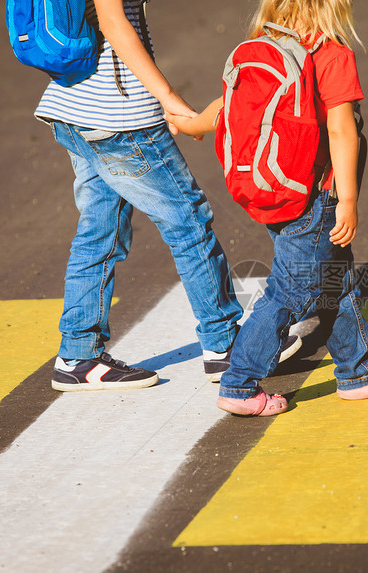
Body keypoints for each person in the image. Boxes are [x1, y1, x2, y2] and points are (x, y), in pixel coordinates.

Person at [167, 0, 368, 416]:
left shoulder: (263, 47)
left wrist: (192, 124)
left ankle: (359, 374)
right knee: (291, 291)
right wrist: (348, 201)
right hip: (315, 197)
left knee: (336, 280)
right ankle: (239, 384)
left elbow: (226, 106)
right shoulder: (332, 54)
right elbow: (340, 129)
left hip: (275, 187)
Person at [34, 0, 299, 391]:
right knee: (187, 221)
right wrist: (168, 96)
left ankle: (78, 354)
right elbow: (113, 21)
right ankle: (225, 344)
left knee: (100, 231)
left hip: (74, 109)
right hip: (121, 118)